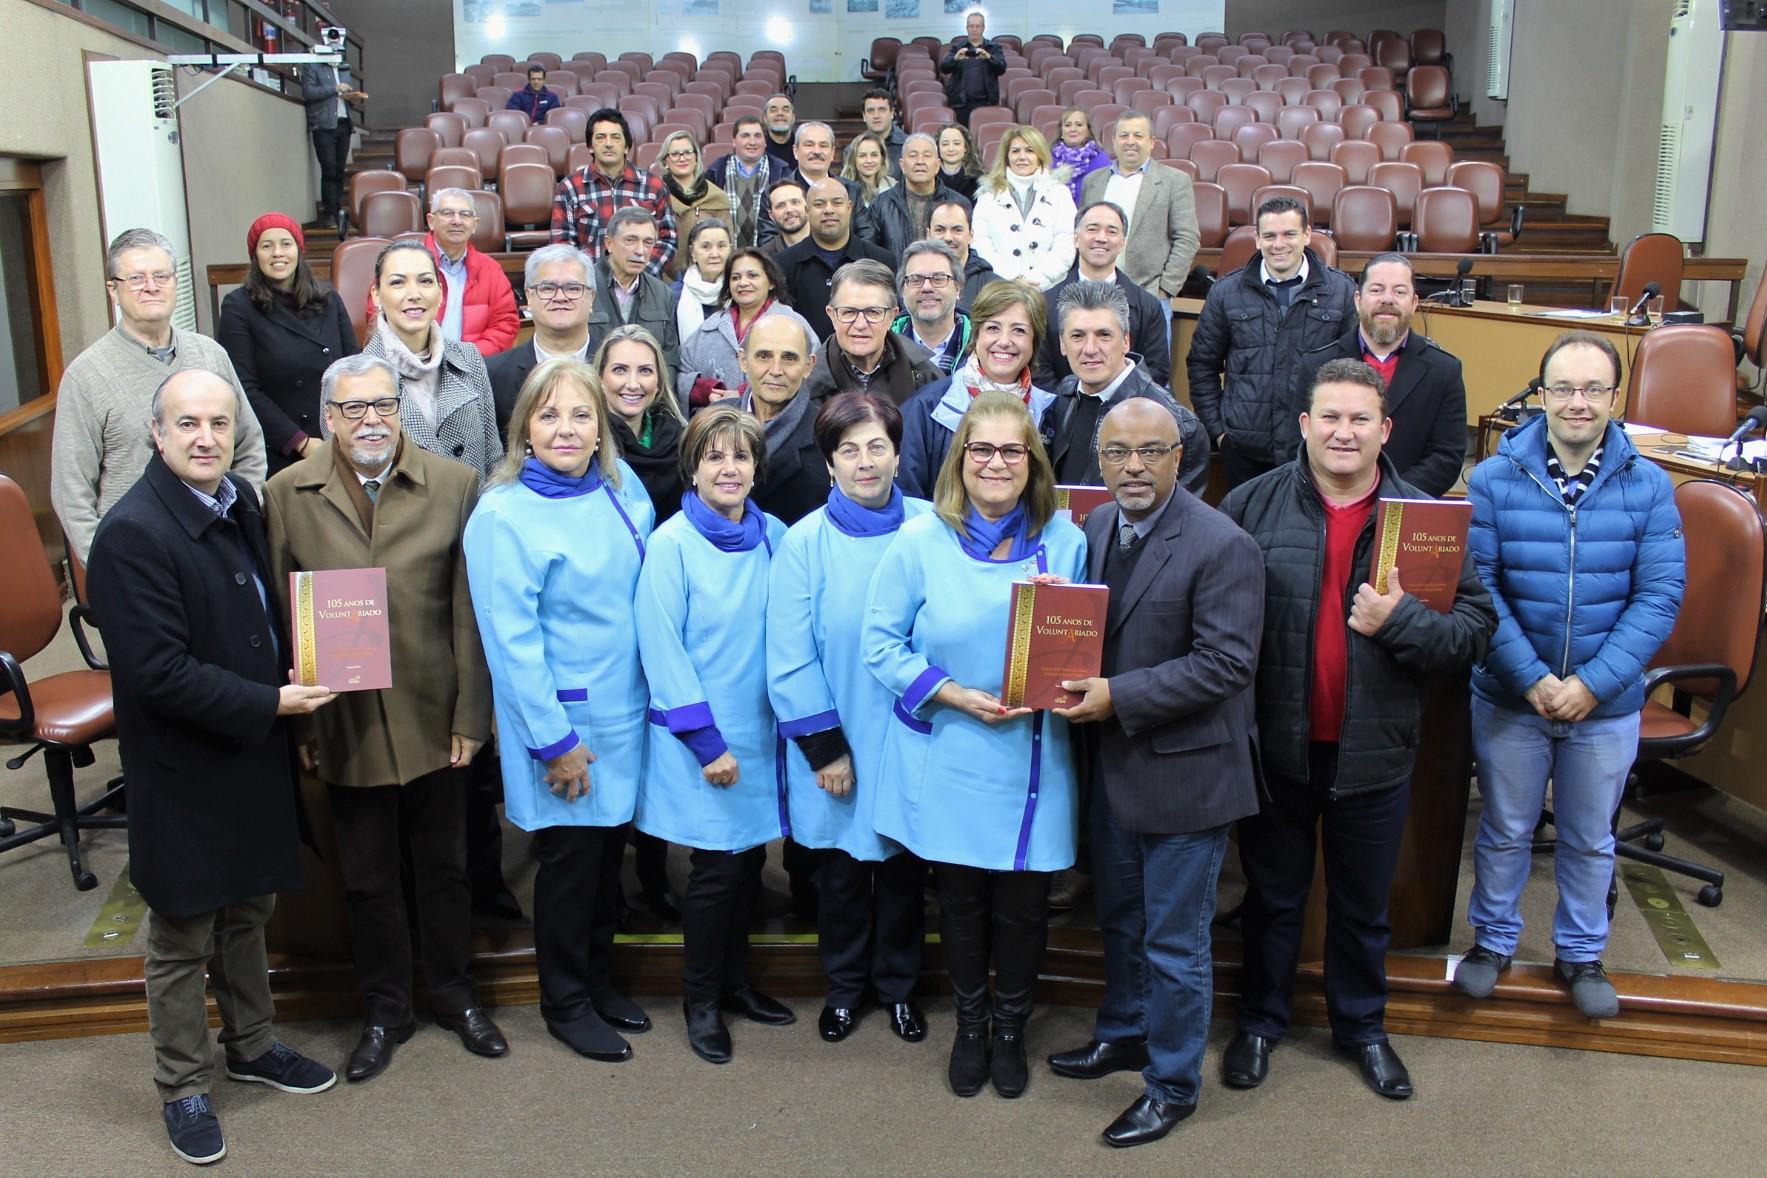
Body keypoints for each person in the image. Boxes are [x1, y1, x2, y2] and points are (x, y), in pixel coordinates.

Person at [1217, 358, 1495, 1102]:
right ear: (1304, 425)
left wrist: (1398, 621)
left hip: (1373, 752)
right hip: (1275, 748)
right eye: (1329, 417)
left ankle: (1362, 1030)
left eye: (1358, 419)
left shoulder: (1427, 520)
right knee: (1272, 899)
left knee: (1361, 908)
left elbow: (1472, 633)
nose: (1343, 432)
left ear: (1385, 430)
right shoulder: (1248, 504)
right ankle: (1258, 1022)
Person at [87, 369, 337, 1166]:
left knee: (248, 911)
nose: (205, 439)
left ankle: (254, 1045)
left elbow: (263, 611)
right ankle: (182, 1084)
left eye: (219, 424)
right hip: (185, 767)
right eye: (187, 424)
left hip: (251, 749)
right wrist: (276, 706)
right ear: (156, 436)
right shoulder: (130, 534)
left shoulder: (240, 501)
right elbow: (158, 673)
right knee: (183, 931)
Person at [265, 354, 507, 1084]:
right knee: (367, 878)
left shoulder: (455, 485)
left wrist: (473, 715)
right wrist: (303, 730)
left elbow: (470, 611)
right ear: (328, 420)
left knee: (445, 869)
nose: (370, 421)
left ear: (399, 409)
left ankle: (456, 995)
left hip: (436, 714)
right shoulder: (285, 495)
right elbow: (284, 617)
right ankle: (384, 1009)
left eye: (382, 406)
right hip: (345, 721)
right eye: (352, 410)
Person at [1044, 397, 1263, 1148]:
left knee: (1175, 941)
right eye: (1115, 453)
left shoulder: (1221, 543)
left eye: (1149, 451)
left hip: (1187, 776)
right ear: (1097, 461)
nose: (1131, 467)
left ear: (1181, 456)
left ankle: (1171, 1084)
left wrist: (1117, 697)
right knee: (1119, 919)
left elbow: (1227, 664)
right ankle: (1125, 1031)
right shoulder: (1098, 525)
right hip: (1116, 766)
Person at [863, 391, 1086, 1100]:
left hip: (1030, 753)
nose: (995, 463)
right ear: (960, 459)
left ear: (1032, 462)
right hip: (953, 743)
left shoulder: (1066, 541)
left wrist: (1064, 625)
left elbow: (1086, 654)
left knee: (1022, 905)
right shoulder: (919, 539)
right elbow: (879, 643)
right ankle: (969, 1024)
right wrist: (951, 692)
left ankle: (1012, 1028)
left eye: (1010, 450)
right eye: (980, 449)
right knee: (959, 901)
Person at [1456, 332, 1685, 1020]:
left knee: (1589, 837)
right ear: (1542, 394)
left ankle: (1581, 953)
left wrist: (1590, 684)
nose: (1576, 403)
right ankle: (1491, 944)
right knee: (1502, 829)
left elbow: (1659, 597)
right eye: (1562, 388)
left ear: (1613, 398)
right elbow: (1479, 586)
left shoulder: (1647, 486)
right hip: (1509, 693)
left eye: (1592, 389)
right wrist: (1529, 677)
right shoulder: (1494, 476)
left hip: (1605, 704)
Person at [464, 357, 656, 1063]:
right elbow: (510, 646)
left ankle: (599, 980)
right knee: (572, 866)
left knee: (609, 859)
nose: (566, 429)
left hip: (625, 712)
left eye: (581, 414)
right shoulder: (502, 515)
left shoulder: (616, 485)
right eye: (549, 415)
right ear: (524, 430)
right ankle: (565, 1001)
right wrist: (554, 740)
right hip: (564, 725)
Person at [766, 393, 930, 1046]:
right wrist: (826, 749)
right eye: (848, 450)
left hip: (913, 734)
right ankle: (843, 988)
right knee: (839, 877)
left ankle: (897, 989)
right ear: (829, 464)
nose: (865, 462)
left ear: (897, 453)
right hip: (838, 742)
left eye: (877, 447)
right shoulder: (804, 542)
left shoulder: (929, 528)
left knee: (902, 874)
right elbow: (787, 655)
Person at [634, 404, 794, 1065]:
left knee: (748, 864)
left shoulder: (775, 536)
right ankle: (699, 1002)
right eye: (713, 457)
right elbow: (661, 649)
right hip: (702, 739)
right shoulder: (671, 545)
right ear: (692, 469)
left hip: (760, 732)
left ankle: (736, 985)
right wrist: (707, 743)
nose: (728, 468)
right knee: (713, 872)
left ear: (757, 469)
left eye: (740, 456)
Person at [53, 228, 267, 562]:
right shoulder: (86, 377)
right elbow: (72, 491)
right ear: (113, 289)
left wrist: (245, 516)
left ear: (175, 282)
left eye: (161, 276)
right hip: (138, 554)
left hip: (223, 541)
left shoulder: (211, 355)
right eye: (136, 278)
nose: (151, 287)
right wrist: (108, 564)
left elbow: (249, 444)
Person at [1188, 195, 1356, 489]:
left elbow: (1354, 370)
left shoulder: (1341, 292)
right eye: (1269, 235)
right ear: (1257, 239)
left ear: (1306, 235)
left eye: (1289, 234)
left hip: (1314, 448)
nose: (1279, 244)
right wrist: (1219, 431)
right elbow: (1202, 365)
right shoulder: (1226, 292)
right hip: (1243, 451)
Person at [1292, 254, 1467, 498]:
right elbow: (1296, 444)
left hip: (1406, 507)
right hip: (1328, 504)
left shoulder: (1444, 371)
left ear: (1414, 302)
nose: (1387, 299)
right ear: (1358, 299)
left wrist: (1389, 495)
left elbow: (1447, 456)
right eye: (1377, 290)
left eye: (1399, 292)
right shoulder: (1316, 365)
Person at [217, 213, 358, 476]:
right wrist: (300, 442)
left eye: (286, 243)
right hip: (281, 447)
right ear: (255, 255)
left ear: (298, 249)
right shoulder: (239, 306)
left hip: (337, 438)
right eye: (266, 246)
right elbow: (243, 388)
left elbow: (354, 366)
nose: (277, 253)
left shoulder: (329, 299)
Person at [359, 239, 503, 483]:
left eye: (425, 281)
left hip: (473, 514)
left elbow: (494, 457)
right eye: (397, 282)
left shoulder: (470, 358)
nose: (414, 294)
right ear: (376, 295)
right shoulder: (352, 379)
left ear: (440, 292)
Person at [1046, 280, 1207, 496]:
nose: (1090, 349)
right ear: (1062, 344)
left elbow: (1180, 520)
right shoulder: (1062, 397)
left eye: (1104, 335)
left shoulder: (1179, 425)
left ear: (1125, 341)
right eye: (1077, 336)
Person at [897, 279, 1055, 498]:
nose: (1004, 341)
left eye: (1019, 330)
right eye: (992, 328)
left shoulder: (1052, 412)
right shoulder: (925, 409)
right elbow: (908, 499)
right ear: (976, 334)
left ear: (1034, 341)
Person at [1034, 200, 1171, 389]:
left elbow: (1156, 371)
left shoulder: (1148, 306)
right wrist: (1068, 406)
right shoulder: (1044, 304)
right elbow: (1039, 371)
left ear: (1122, 242)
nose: (1101, 238)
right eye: (1092, 229)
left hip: (1126, 413)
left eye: (1112, 231)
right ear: (1075, 238)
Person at [1080, 113, 1199, 300]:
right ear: (1114, 140)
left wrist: (1166, 288)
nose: (1130, 141)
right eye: (1124, 135)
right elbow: (1082, 233)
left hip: (1149, 293)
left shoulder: (1175, 181)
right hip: (1095, 292)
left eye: (1138, 135)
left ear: (1152, 142)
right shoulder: (1093, 181)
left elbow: (1187, 238)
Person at [677, 247, 813, 411]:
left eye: (752, 275)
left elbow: (812, 374)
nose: (743, 283)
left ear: (771, 282)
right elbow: (682, 371)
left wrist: (743, 393)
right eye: (735, 277)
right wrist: (708, 391)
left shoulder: (794, 325)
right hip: (718, 428)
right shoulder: (710, 327)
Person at [485, 243, 597, 436]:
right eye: (547, 288)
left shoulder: (616, 369)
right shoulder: (492, 374)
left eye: (573, 288)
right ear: (529, 297)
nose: (560, 297)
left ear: (592, 297)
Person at [550, 108, 677, 276]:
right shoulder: (570, 188)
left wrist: (641, 275)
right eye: (600, 137)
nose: (608, 143)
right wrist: (589, 280)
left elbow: (667, 239)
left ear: (626, 147)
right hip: (591, 287)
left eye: (616, 137)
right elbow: (562, 245)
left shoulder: (654, 186)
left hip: (643, 285)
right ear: (590, 147)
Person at [802, 259, 941, 405]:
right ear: (831, 315)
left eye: (873, 312)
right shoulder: (805, 384)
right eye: (849, 312)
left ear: (892, 316)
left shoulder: (926, 377)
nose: (860, 324)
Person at [772, 178, 894, 343]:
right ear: (807, 211)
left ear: (849, 207)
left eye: (837, 203)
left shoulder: (881, 261)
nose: (828, 210)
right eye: (819, 204)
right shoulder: (782, 265)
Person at [740, 314, 827, 523]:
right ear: (743, 361)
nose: (776, 370)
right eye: (763, 356)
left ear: (809, 366)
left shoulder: (827, 437)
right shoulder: (712, 424)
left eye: (789, 358)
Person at [599, 325, 687, 527]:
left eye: (645, 371)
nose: (633, 384)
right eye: (620, 370)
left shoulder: (682, 441)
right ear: (600, 379)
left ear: (658, 383)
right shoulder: (587, 446)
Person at [971, 126, 1077, 292]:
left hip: (1050, 288)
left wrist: (1038, 279)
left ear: (1039, 155)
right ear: (1006, 157)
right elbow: (981, 245)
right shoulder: (987, 197)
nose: (1022, 157)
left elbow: (1066, 244)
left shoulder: (1059, 193)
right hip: (1001, 289)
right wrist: (1012, 279)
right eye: (1015, 151)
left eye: (1029, 150)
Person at [421, 187, 520, 357]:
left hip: (474, 367)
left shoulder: (490, 269)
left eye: (465, 215)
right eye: (447, 213)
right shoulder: (405, 261)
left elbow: (505, 323)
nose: (457, 221)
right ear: (431, 221)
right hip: (417, 366)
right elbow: (381, 316)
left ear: (474, 224)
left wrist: (468, 358)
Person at [586, 207, 683, 379]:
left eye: (648, 242)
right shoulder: (582, 286)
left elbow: (669, 360)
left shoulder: (663, 294)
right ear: (609, 243)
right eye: (630, 240)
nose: (640, 251)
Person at [772, 122, 878, 246]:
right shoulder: (776, 194)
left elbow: (867, 236)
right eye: (809, 145)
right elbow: (770, 242)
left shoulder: (851, 190)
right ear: (795, 151)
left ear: (832, 153)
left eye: (823, 145)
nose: (816, 151)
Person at [870, 133, 971, 261]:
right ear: (902, 165)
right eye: (913, 156)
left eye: (927, 156)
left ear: (937, 165)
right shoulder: (881, 204)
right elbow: (871, 253)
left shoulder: (958, 203)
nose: (920, 162)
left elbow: (969, 252)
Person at [299, 53, 364, 233]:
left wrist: (353, 98)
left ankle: (338, 211)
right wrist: (335, 88)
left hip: (343, 122)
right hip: (324, 125)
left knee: (339, 170)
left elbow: (345, 96)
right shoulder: (312, 66)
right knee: (328, 168)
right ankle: (330, 212)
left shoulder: (344, 68)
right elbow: (309, 92)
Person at [658, 131, 734, 281]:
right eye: (675, 154)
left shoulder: (716, 197)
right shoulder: (656, 194)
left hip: (710, 281)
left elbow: (728, 244)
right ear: (665, 161)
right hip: (665, 281)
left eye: (687, 152)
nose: (682, 158)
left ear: (696, 158)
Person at [890, 240, 974, 376]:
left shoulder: (981, 344)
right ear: (902, 290)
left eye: (939, 278)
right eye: (916, 279)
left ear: (958, 288)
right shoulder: (883, 346)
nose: (927, 287)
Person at [705, 116, 780, 250]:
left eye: (758, 136)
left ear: (765, 141)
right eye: (745, 136)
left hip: (770, 255)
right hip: (726, 257)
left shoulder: (782, 172)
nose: (752, 142)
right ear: (734, 141)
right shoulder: (715, 173)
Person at [927, 198, 1001, 308]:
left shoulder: (994, 287)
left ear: (971, 235)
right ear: (928, 235)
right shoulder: (913, 282)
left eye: (957, 230)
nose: (948, 237)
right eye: (940, 230)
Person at [672, 217, 734, 345]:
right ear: (692, 252)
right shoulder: (673, 296)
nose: (714, 254)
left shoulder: (740, 291)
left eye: (721, 246)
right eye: (706, 247)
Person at [940, 10, 1006, 127]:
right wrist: (955, 58)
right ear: (966, 28)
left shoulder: (993, 47)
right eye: (971, 26)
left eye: (977, 26)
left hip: (987, 103)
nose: (974, 29)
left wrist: (989, 57)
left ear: (983, 28)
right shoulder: (957, 47)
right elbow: (944, 68)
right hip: (961, 104)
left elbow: (1002, 68)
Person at [1051, 108, 1112, 207]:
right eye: (1067, 125)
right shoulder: (1048, 158)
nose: (1073, 129)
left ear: (1088, 131)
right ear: (1061, 131)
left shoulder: (1102, 160)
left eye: (1079, 125)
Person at [841, 131, 898, 220]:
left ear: (882, 158)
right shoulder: (843, 189)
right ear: (853, 159)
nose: (869, 160)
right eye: (862, 156)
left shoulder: (894, 186)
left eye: (874, 155)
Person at [758, 178, 810, 257]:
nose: (789, 210)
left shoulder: (829, 244)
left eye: (795, 202)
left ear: (807, 207)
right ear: (771, 215)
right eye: (780, 206)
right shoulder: (764, 258)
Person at [860, 89, 908, 169]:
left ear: (892, 113)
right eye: (871, 111)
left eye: (882, 110)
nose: (876, 116)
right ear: (864, 116)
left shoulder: (908, 146)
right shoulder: (853, 150)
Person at [936, 122, 983, 203]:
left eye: (957, 143)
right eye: (945, 144)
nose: (951, 149)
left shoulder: (978, 179)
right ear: (938, 148)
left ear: (965, 147)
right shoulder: (930, 177)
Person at [762, 93, 798, 170]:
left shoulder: (803, 147)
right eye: (773, 110)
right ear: (765, 118)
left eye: (785, 110)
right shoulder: (756, 148)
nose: (780, 114)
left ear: (793, 117)